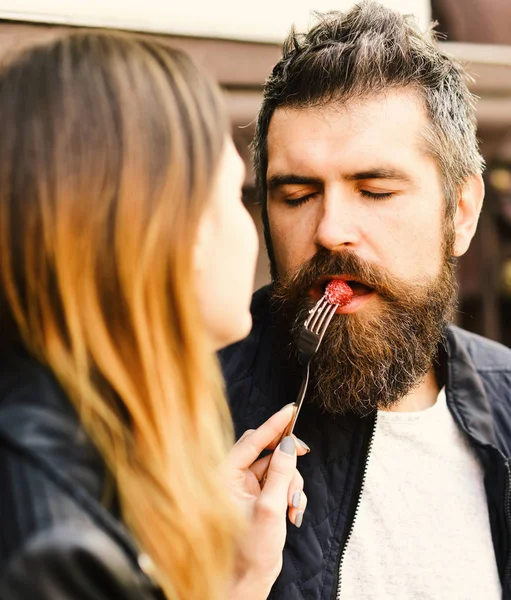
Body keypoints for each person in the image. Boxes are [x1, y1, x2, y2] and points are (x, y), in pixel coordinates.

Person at [0, 30, 309, 600]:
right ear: (184, 230)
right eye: (238, 194)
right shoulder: (55, 551)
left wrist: (230, 580)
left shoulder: (79, 466)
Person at [220, 2, 511, 599]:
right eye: (297, 195)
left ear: (461, 212)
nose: (330, 230)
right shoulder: (182, 410)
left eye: (375, 191)